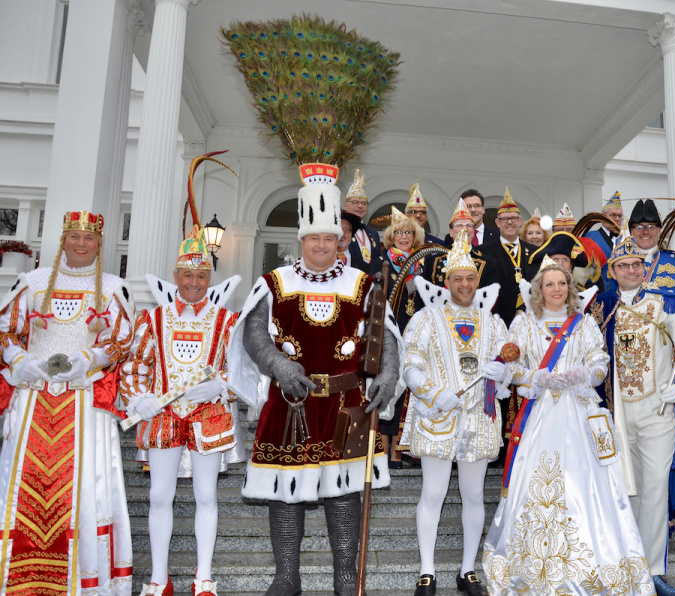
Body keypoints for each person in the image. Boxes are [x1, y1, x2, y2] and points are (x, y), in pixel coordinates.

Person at [228, 164, 401, 596]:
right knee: (286, 492)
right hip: (291, 404)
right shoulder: (274, 283)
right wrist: (278, 365)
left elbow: (386, 337)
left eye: (329, 237)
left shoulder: (362, 284)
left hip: (347, 404)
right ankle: (287, 576)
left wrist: (388, 375)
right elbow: (253, 335)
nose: (322, 245)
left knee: (344, 494)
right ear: (301, 240)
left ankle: (345, 577)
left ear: (339, 240)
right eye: (314, 238)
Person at [483, 258, 654, 596]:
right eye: (549, 284)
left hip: (578, 411)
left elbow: (600, 363)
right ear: (539, 289)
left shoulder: (584, 323)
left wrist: (584, 374)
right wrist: (536, 377)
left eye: (562, 283)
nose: (556, 289)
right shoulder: (524, 323)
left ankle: (593, 570)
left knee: (584, 486)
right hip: (540, 414)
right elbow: (510, 368)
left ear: (570, 288)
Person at [0, 211, 135, 595]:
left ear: (99, 244)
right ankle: (16, 579)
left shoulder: (114, 288)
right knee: (22, 487)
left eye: (88, 238)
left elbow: (123, 341)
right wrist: (19, 361)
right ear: (63, 240)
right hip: (33, 400)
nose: (81, 244)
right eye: (74, 236)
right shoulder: (32, 281)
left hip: (85, 404)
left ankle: (83, 581)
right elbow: (6, 331)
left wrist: (90, 359)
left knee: (85, 489)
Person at [121, 226, 243, 596]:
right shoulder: (152, 319)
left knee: (206, 495)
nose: (194, 282)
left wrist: (221, 385)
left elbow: (243, 370)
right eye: (187, 275)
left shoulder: (227, 321)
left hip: (209, 416)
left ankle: (203, 577)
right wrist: (138, 398)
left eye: (201, 275)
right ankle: (159, 578)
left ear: (210, 278)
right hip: (163, 416)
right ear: (175, 276)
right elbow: (134, 366)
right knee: (160, 495)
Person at [399, 232, 509, 596]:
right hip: (437, 417)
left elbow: (509, 367)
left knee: (474, 494)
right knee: (433, 492)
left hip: (479, 418)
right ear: (447, 282)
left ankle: (467, 570)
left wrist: (501, 372)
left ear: (477, 282)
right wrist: (435, 393)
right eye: (458, 278)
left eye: (470, 278)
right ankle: (427, 571)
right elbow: (410, 366)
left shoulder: (493, 322)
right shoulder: (426, 319)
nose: (464, 284)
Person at [594, 224, 675, 596]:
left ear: (644, 267)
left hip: (656, 410)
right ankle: (628, 567)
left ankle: (652, 573)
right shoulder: (601, 307)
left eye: (636, 264)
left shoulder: (664, 302)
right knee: (628, 492)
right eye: (623, 265)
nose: (631, 270)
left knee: (655, 490)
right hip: (617, 415)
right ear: (612, 271)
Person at [382, 206, 426, 468]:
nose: (404, 237)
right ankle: (383, 449)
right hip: (390, 331)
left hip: (415, 331)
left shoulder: (422, 263)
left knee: (409, 390)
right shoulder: (384, 261)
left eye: (409, 232)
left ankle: (400, 449)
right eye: (399, 232)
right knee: (389, 387)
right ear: (392, 235)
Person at [480, 187, 538, 326]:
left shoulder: (535, 252)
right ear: (497, 223)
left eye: (514, 218)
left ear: (520, 221)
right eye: (505, 219)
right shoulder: (483, 252)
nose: (510, 222)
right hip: (496, 320)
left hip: (530, 320)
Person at [425, 199, 500, 290]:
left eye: (468, 225)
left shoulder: (488, 263)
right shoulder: (433, 261)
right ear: (451, 232)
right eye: (459, 225)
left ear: (473, 231)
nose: (464, 229)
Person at [343, 167, 383, 275]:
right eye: (355, 202)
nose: (360, 206)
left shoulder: (373, 233)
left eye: (364, 203)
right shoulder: (340, 230)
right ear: (345, 205)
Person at [584, 190, 623, 259]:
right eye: (613, 215)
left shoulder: (625, 238)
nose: (617, 219)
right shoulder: (590, 236)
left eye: (619, 216)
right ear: (603, 217)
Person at [406, 180, 445, 246]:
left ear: (426, 217)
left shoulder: (438, 244)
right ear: (406, 216)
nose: (418, 215)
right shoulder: (398, 243)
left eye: (422, 212)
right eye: (413, 212)